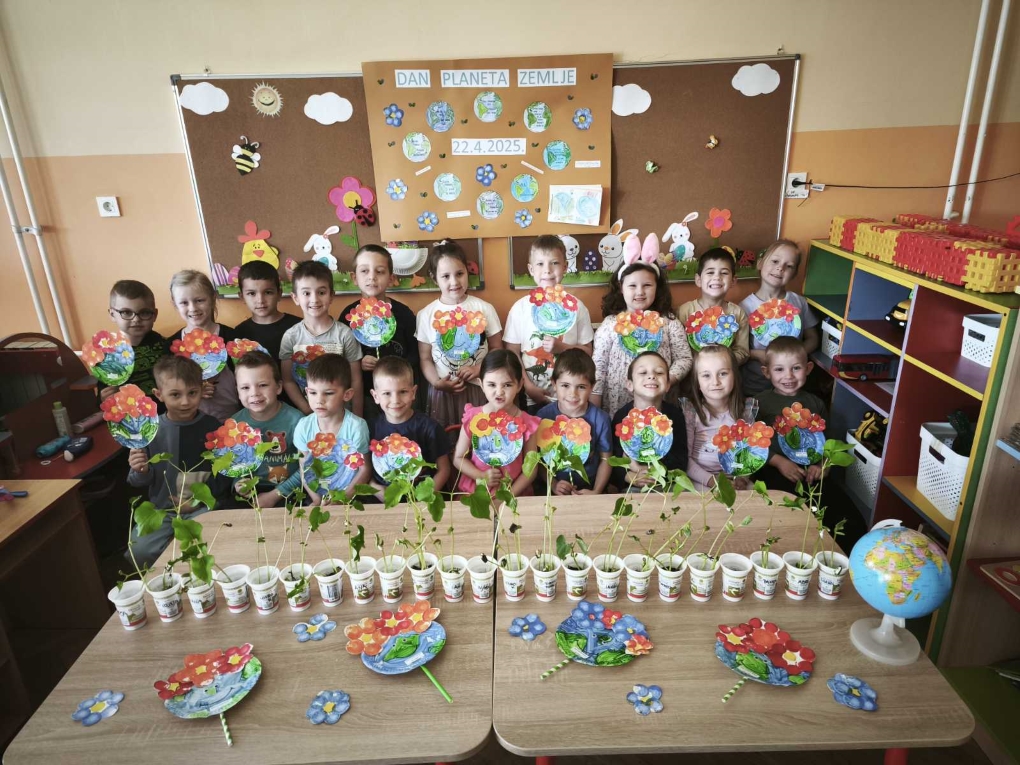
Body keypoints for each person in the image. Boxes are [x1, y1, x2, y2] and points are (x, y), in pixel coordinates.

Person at [126, 355, 227, 567]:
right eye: (175, 394)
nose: (185, 402)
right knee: (139, 550)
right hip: (162, 510)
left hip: (203, 508)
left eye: (192, 393)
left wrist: (197, 502)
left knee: (209, 546)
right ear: (159, 395)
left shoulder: (214, 427)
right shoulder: (149, 431)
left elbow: (224, 476)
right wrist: (140, 470)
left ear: (202, 390)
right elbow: (137, 481)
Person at [592, 234, 691, 416]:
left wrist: (667, 380)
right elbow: (599, 365)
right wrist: (595, 400)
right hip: (618, 404)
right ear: (621, 288)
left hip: (660, 404)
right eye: (632, 286)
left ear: (657, 287)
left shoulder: (669, 323)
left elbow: (684, 358)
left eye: (647, 285)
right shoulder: (610, 324)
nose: (640, 292)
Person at [416, 240, 503, 429]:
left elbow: (497, 348)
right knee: (447, 437)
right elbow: (425, 358)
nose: (454, 282)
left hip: (480, 386)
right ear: (434, 278)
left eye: (459, 274)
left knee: (481, 433)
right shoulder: (426, 315)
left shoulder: (484, 308)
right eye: (445, 276)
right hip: (444, 391)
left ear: (467, 272)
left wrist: (479, 368)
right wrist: (437, 382)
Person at [504, 235, 594, 412]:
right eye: (540, 264)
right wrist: (527, 386)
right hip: (531, 396)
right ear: (531, 269)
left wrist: (562, 347)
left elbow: (588, 351)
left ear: (565, 267)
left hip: (571, 398)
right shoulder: (520, 308)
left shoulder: (577, 307)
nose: (547, 270)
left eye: (554, 263)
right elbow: (512, 351)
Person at [339, 245, 419, 425]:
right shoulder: (348, 315)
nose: (372, 277)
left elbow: (415, 354)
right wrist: (358, 363)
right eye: (364, 271)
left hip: (399, 396)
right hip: (365, 394)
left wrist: (394, 366)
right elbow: (341, 358)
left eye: (380, 271)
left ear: (391, 278)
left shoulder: (403, 314)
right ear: (354, 277)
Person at [280, 260, 364, 417]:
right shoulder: (291, 337)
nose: (314, 299)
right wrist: (307, 411)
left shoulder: (344, 334)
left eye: (321, 292)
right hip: (307, 416)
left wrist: (358, 417)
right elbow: (288, 380)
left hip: (342, 415)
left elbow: (356, 381)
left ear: (331, 296)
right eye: (306, 293)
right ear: (295, 298)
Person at [451, 350, 539, 496]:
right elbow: (458, 458)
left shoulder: (527, 423)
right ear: (481, 384)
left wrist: (508, 496)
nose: (499, 392)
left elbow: (531, 469)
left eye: (507, 385)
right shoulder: (473, 417)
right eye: (491, 384)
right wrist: (481, 476)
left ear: (519, 385)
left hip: (514, 494)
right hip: (476, 493)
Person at [286, 353, 370, 503]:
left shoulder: (356, 427)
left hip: (350, 497)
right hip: (317, 496)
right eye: (313, 393)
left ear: (347, 394)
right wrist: (316, 500)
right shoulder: (303, 427)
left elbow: (365, 470)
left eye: (328, 393)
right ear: (307, 392)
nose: (319, 400)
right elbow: (304, 468)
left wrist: (341, 500)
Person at [740, 239, 821, 395]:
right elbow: (739, 349)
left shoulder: (799, 302)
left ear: (794, 274)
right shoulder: (744, 307)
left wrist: (795, 354)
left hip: (792, 385)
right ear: (760, 264)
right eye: (775, 261)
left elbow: (813, 338)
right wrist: (757, 354)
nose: (780, 268)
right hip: (756, 385)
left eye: (789, 266)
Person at [681, 345, 759, 490]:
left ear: (734, 375)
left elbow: (751, 453)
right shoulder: (691, 412)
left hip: (735, 482)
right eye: (706, 375)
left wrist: (743, 477)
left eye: (723, 373)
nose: (715, 382)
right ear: (697, 381)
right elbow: (684, 458)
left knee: (758, 499)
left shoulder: (746, 412)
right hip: (700, 480)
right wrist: (712, 481)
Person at [368, 356, 451, 494]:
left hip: (422, 498)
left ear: (413, 392)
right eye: (387, 393)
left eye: (403, 392)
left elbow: (444, 470)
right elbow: (365, 470)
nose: (395, 400)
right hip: (381, 500)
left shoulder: (430, 428)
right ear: (375, 396)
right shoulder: (370, 429)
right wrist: (377, 491)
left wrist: (424, 497)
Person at [231, 351, 303, 508]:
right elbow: (234, 464)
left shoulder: (297, 421)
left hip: (291, 490)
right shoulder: (234, 424)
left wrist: (275, 495)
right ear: (237, 391)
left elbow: (307, 468)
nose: (254, 393)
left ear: (278, 387)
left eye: (262, 385)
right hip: (251, 493)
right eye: (245, 387)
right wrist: (238, 482)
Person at [756, 336, 828, 490]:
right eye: (779, 369)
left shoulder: (816, 403)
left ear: (808, 369)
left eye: (796, 368)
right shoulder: (759, 403)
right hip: (771, 470)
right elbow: (751, 444)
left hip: (808, 473)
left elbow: (829, 444)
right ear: (766, 372)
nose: (788, 376)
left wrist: (821, 466)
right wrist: (779, 462)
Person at [535, 349, 612, 495]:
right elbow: (537, 459)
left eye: (581, 387)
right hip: (551, 492)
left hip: (589, 491)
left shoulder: (601, 419)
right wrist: (554, 485)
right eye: (565, 385)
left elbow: (605, 459)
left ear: (592, 387)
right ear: (554, 383)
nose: (573, 394)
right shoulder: (543, 417)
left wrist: (596, 491)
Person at [609, 351, 688, 491]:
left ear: (668, 385)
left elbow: (680, 460)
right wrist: (629, 476)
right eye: (643, 372)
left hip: (667, 483)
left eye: (659, 373)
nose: (651, 376)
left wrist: (655, 472)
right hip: (633, 485)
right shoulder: (622, 417)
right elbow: (614, 460)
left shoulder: (674, 415)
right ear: (630, 384)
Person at [168, 269, 240, 420]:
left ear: (213, 298)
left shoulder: (233, 338)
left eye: (199, 300)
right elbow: (168, 388)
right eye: (184, 303)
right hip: (192, 421)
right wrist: (193, 391)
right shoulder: (171, 346)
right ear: (175, 304)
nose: (193, 308)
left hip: (235, 417)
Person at [675, 247, 750, 364]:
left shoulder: (738, 313)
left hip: (725, 372)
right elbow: (679, 350)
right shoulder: (684, 311)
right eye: (710, 272)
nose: (717, 277)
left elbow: (742, 351)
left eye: (724, 273)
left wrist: (720, 363)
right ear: (698, 280)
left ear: (733, 281)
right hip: (693, 373)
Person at [105, 279, 165, 401]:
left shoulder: (165, 346)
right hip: (126, 410)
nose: (136, 319)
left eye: (144, 312)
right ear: (112, 314)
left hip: (163, 410)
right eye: (126, 312)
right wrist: (103, 397)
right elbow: (103, 391)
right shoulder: (108, 353)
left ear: (154, 315)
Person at [234, 260, 300, 362]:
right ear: (242, 297)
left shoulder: (299, 327)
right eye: (252, 293)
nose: (260, 300)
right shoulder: (239, 333)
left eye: (268, 292)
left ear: (279, 294)